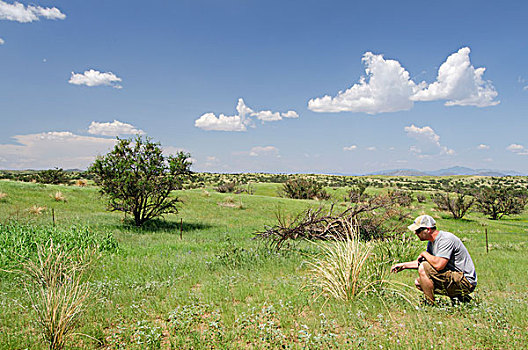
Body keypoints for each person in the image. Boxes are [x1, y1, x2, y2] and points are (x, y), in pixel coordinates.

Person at [391, 215, 477, 304]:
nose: (416, 233)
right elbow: (429, 264)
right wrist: (403, 265)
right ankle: (463, 300)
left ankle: (430, 304)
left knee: (423, 268)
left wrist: (424, 253)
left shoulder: (445, 239)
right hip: (454, 277)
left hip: (465, 281)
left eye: (418, 231)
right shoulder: (431, 242)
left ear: (428, 230)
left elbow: (439, 265)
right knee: (419, 282)